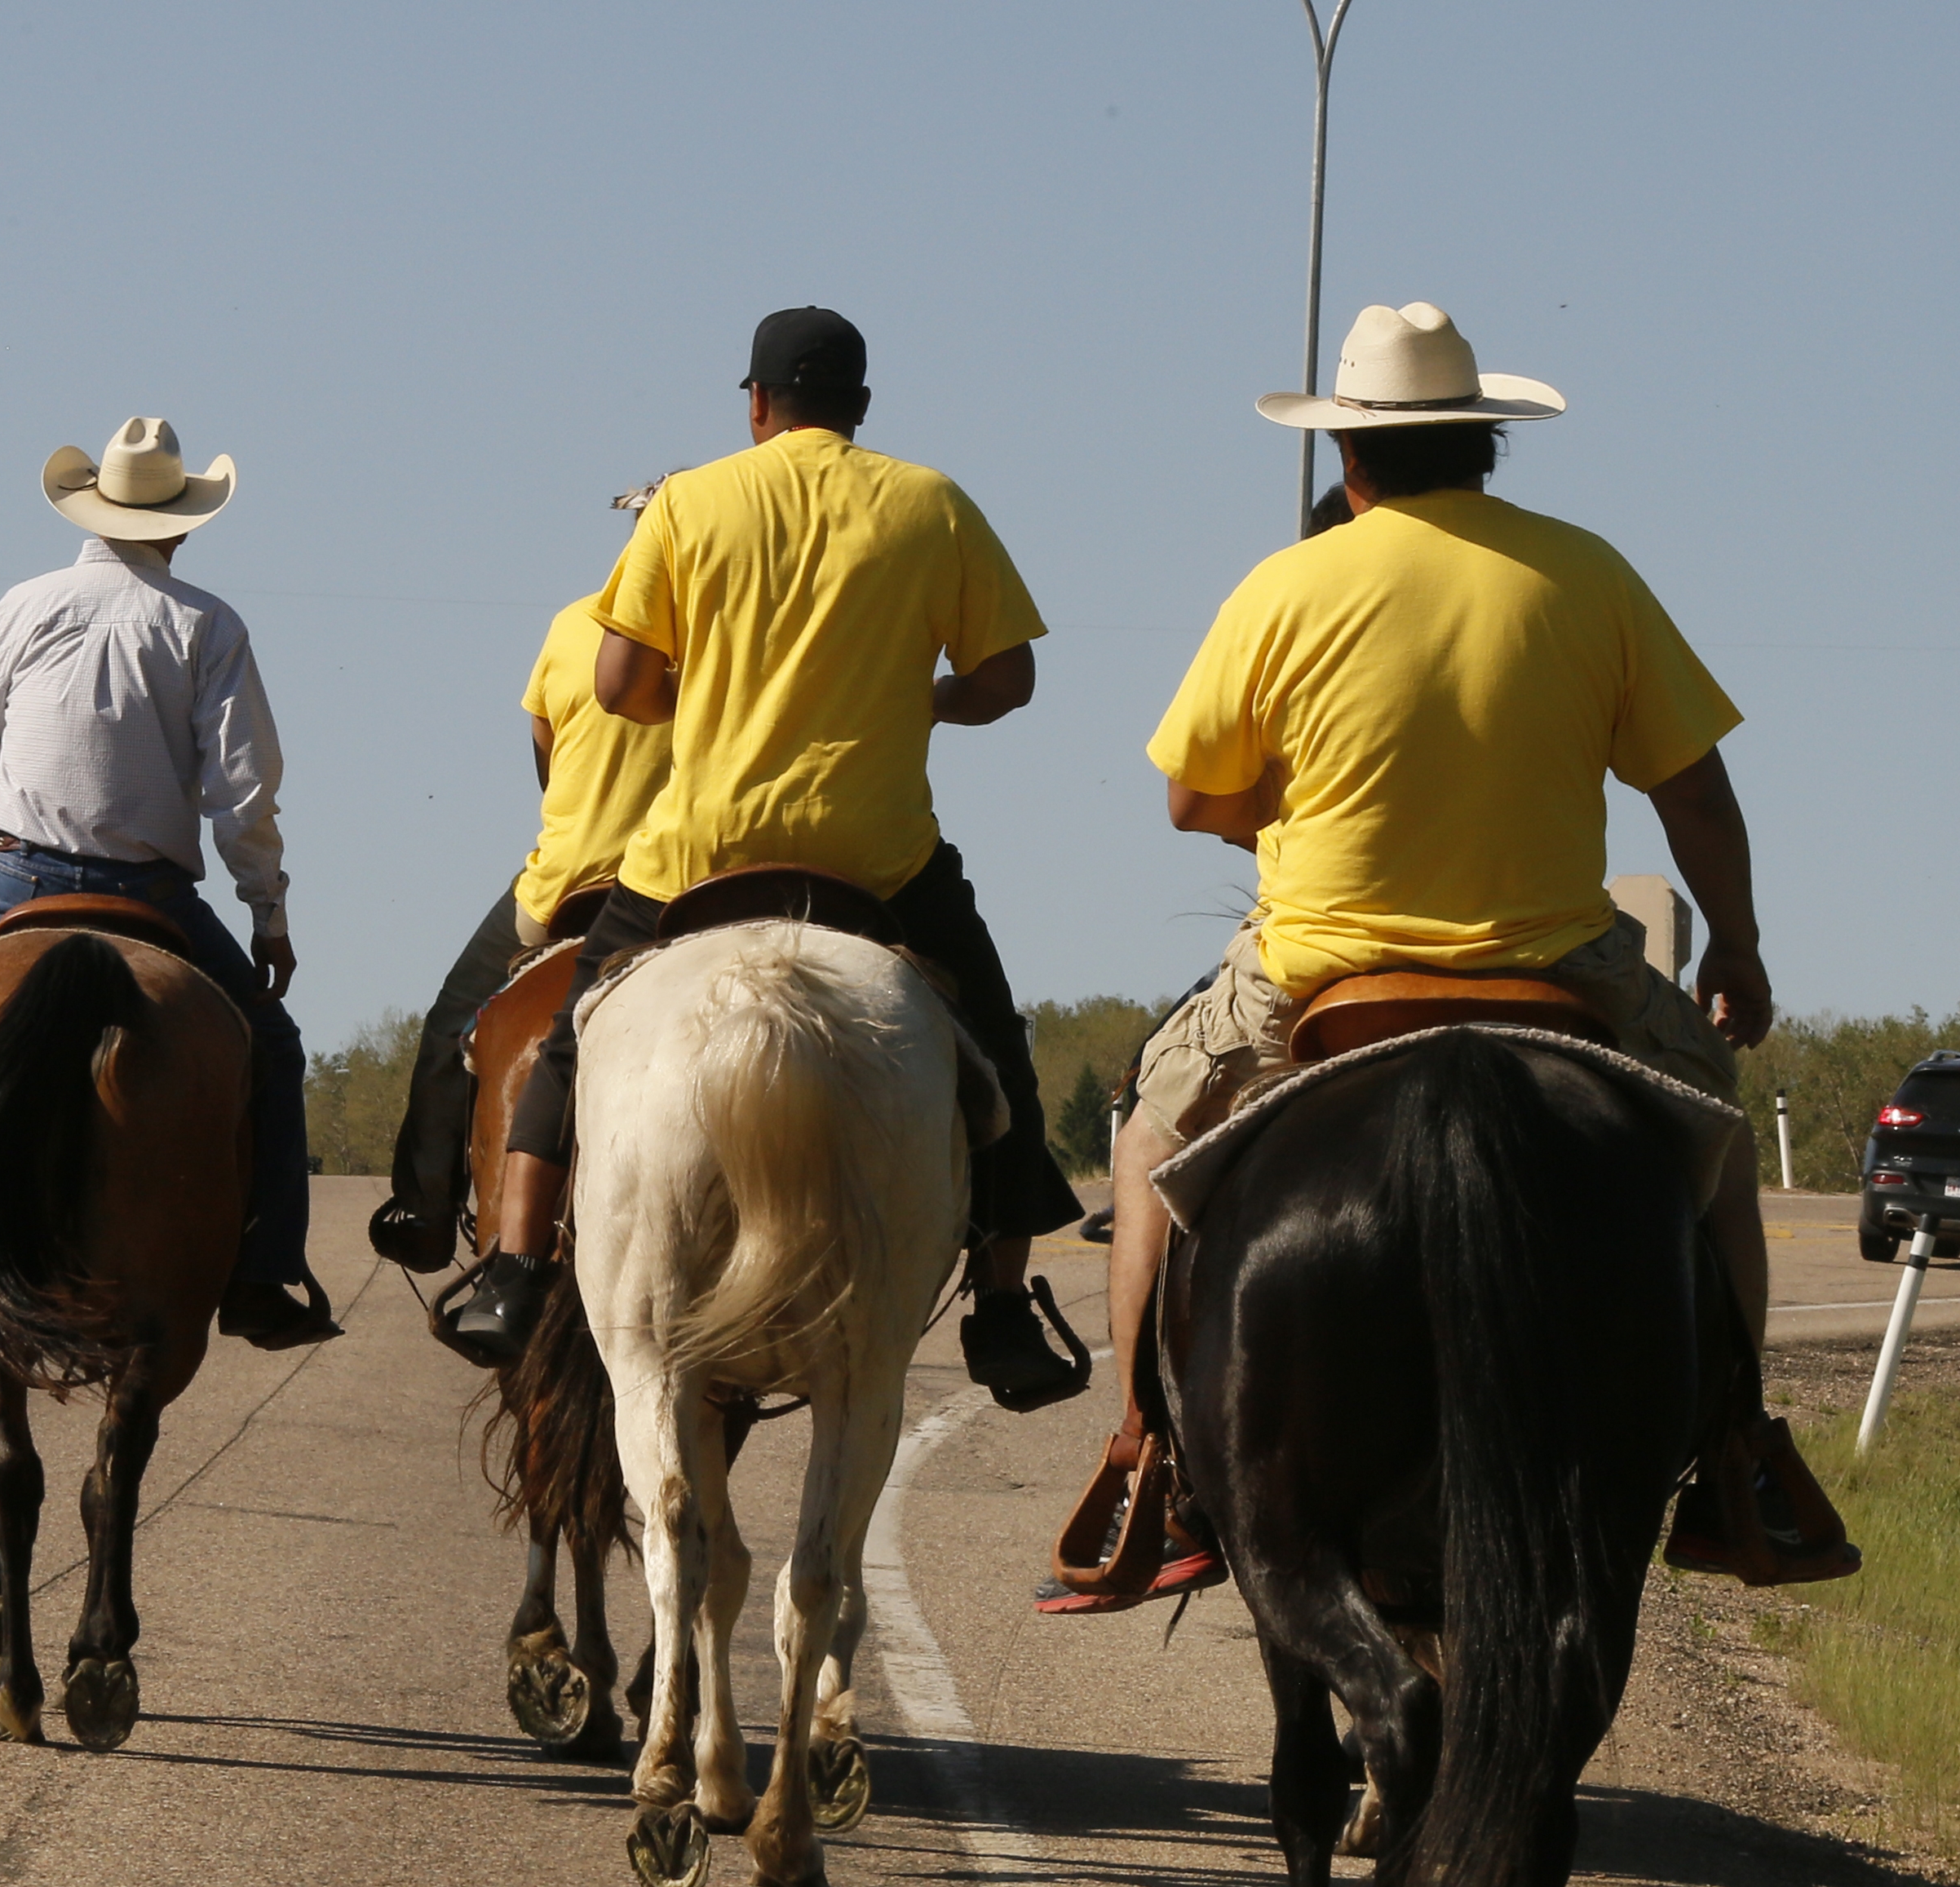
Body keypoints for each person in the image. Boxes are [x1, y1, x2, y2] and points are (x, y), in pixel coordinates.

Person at [1045, 301, 1819, 1609]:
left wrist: (1287, 800)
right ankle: (1736, 1455)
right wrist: (1734, 942)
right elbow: (1694, 791)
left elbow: (1189, 802)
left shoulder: (1285, 584)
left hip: (1313, 975)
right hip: (1563, 967)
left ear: (1349, 459)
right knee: (1721, 1139)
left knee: (1143, 1134)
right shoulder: (1586, 574)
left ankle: (1147, 1454)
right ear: (1485, 447)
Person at [432, 307, 1087, 1407]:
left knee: (564, 1039)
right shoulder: (930, 502)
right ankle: (1004, 1302)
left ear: (753, 405)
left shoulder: (690, 503)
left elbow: (621, 688)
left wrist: (723, 694)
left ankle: (512, 1266)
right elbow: (1007, 682)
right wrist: (915, 698)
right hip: (876, 860)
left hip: (700, 852)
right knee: (996, 1044)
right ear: (862, 407)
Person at [0, 416, 336, 1358]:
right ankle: (261, 1277)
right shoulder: (206, 623)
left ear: (93, 511)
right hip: (155, 893)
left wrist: (19, 806)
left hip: (17, 878)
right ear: (181, 522)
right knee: (276, 1051)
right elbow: (242, 786)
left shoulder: (23, 603)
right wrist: (269, 911)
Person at [365, 479, 679, 1274]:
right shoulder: (730, 639)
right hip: (685, 887)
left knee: (448, 1028)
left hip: (564, 886)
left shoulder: (574, 626)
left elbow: (547, 763)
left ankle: (430, 1210)